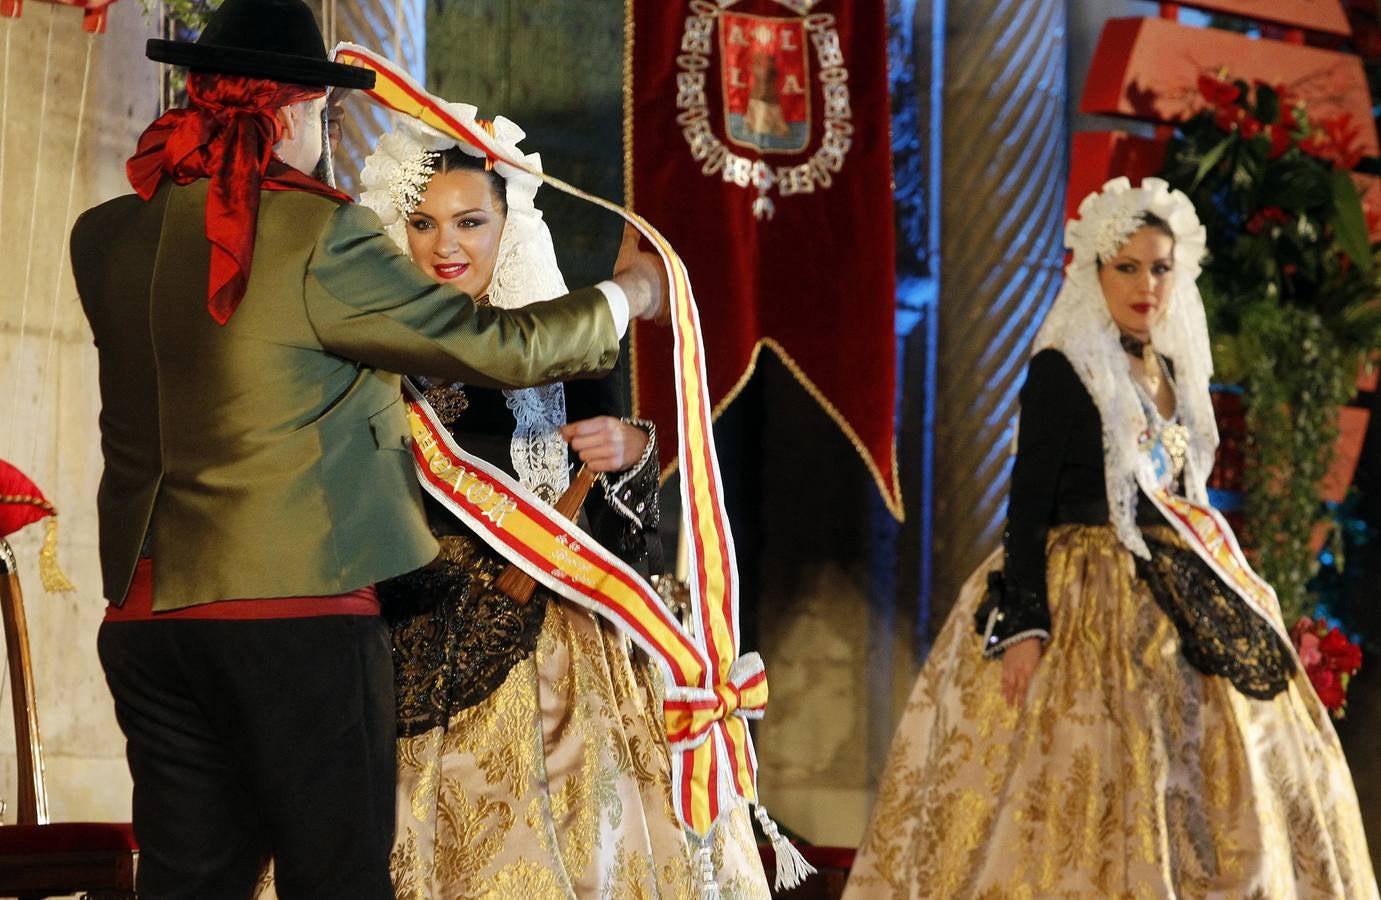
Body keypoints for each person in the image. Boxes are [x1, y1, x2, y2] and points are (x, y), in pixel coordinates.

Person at [67, 1, 669, 897]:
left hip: (147, 624)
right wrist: (629, 294)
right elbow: (500, 347)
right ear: (292, 115)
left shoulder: (103, 236)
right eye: (324, 115)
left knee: (191, 883)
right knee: (338, 880)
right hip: (294, 616)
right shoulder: (322, 233)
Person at [844, 178, 1378, 899]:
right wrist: (1026, 621)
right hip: (1078, 589)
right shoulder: (1063, 370)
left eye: (1158, 267)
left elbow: (1185, 498)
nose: (1144, 284)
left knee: (1200, 765)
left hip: (1173, 589)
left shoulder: (1173, 371)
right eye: (1125, 266)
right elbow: (1026, 503)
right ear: (1094, 272)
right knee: (1080, 765)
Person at [351, 108, 771, 898]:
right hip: (417, 653)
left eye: (470, 222)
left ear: (506, 225)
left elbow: (620, 545)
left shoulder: (570, 343)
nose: (447, 246)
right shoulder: (374, 356)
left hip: (572, 665)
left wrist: (634, 454)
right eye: (423, 223)